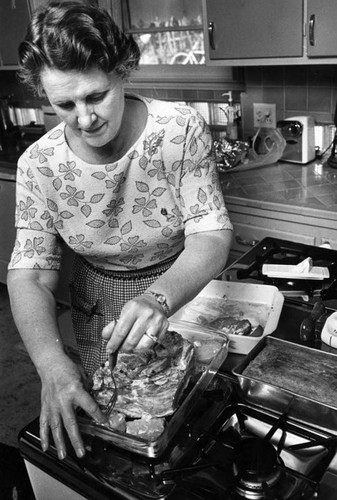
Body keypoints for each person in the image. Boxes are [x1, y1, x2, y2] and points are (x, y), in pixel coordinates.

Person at [7, 1, 233, 461]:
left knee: (191, 418)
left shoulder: (178, 130)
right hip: (97, 306)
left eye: (95, 96)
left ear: (123, 71)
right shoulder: (38, 164)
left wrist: (158, 299)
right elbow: (29, 273)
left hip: (183, 292)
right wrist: (50, 364)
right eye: (64, 104)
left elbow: (210, 236)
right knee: (118, 423)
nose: (84, 119)